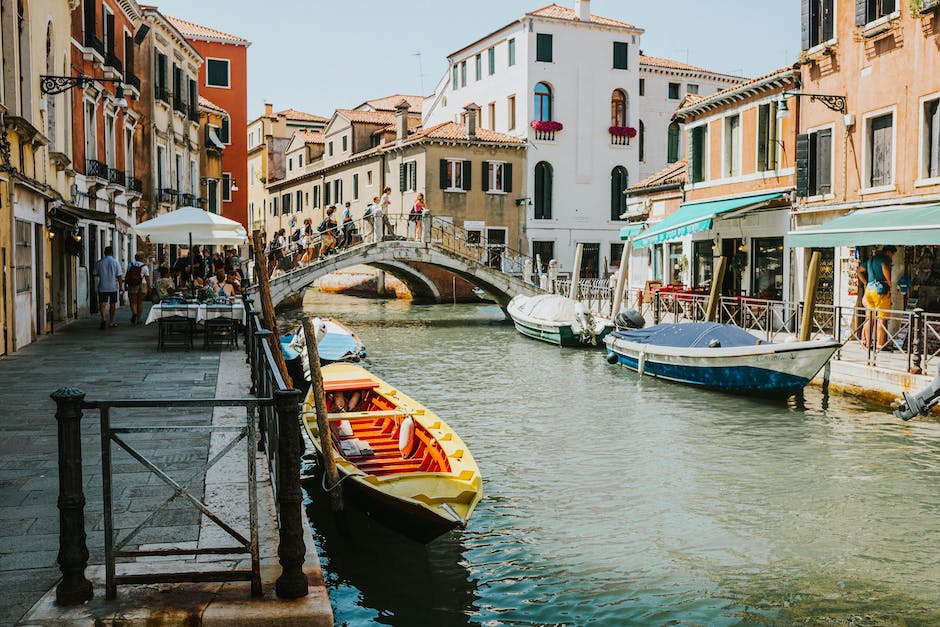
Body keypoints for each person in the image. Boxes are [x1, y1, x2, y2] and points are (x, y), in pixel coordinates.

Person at [858, 245, 896, 351]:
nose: (892, 256)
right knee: (882, 318)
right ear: (888, 252)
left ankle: (867, 342)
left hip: (869, 291)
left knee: (870, 317)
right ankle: (880, 344)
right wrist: (889, 283)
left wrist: (866, 282)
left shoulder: (871, 260)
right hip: (880, 290)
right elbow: (884, 267)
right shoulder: (884, 259)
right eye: (892, 254)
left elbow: (859, 270)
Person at [93, 246, 124, 330]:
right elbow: (119, 276)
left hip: (102, 285)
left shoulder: (99, 262)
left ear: (104, 253)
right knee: (112, 304)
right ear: (112, 253)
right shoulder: (115, 262)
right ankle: (111, 322)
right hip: (113, 286)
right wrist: (121, 286)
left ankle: (103, 319)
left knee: (102, 304)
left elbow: (95, 273)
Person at [124, 253, 150, 325]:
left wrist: (125, 284)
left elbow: (127, 275)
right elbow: (147, 278)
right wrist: (149, 287)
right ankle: (139, 319)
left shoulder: (130, 264)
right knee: (140, 302)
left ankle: (134, 313)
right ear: (142, 258)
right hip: (142, 284)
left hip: (133, 284)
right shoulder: (144, 266)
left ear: (135, 257)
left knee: (133, 302)